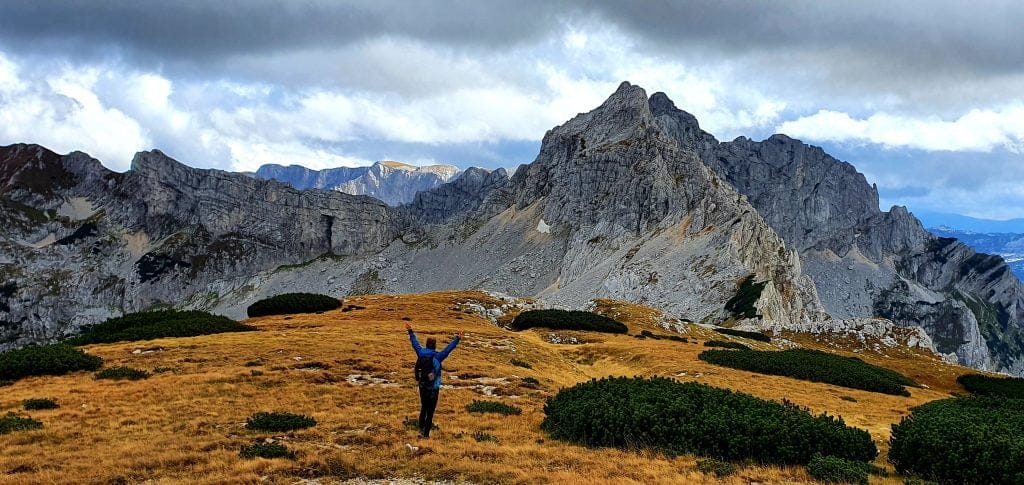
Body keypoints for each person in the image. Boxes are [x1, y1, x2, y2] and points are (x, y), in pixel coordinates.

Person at [406, 322, 462, 439]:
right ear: (435, 346)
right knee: (430, 412)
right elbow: (448, 349)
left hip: (422, 386)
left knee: (423, 408)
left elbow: (415, 343)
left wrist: (410, 331)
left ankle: (420, 430)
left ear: (426, 345)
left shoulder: (421, 352)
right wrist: (457, 338)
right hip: (433, 388)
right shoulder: (438, 356)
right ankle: (426, 434)